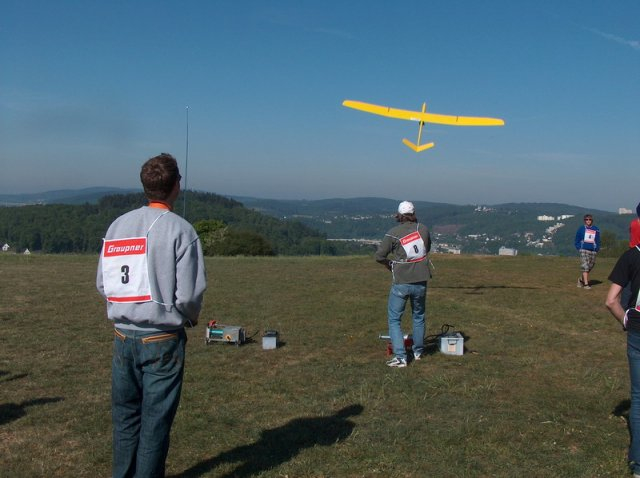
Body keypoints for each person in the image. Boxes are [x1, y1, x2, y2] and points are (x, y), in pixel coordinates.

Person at [96, 153, 207, 478]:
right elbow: (188, 296)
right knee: (155, 425)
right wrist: (189, 317)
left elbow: (104, 283)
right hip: (162, 339)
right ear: (176, 186)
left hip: (122, 337)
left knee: (125, 421)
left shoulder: (118, 225)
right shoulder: (181, 230)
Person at [375, 201, 432, 367]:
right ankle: (418, 351)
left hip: (401, 281)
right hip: (421, 279)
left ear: (399, 215)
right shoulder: (423, 229)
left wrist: (390, 264)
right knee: (418, 316)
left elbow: (379, 256)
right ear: (413, 213)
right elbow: (426, 249)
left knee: (394, 319)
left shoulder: (393, 233)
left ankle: (401, 356)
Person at [605, 246, 640, 477]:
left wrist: (625, 320)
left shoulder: (632, 255)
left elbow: (611, 301)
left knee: (638, 397)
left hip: (637, 330)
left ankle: (639, 464)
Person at [574, 214, 600, 289]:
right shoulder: (581, 229)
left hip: (593, 250)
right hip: (584, 249)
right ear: (584, 220)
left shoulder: (596, 229)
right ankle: (586, 284)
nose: (588, 221)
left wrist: (597, 248)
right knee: (585, 266)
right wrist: (579, 247)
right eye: (586, 219)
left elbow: (598, 240)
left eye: (589, 219)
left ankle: (581, 279)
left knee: (590, 266)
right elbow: (577, 239)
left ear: (592, 220)